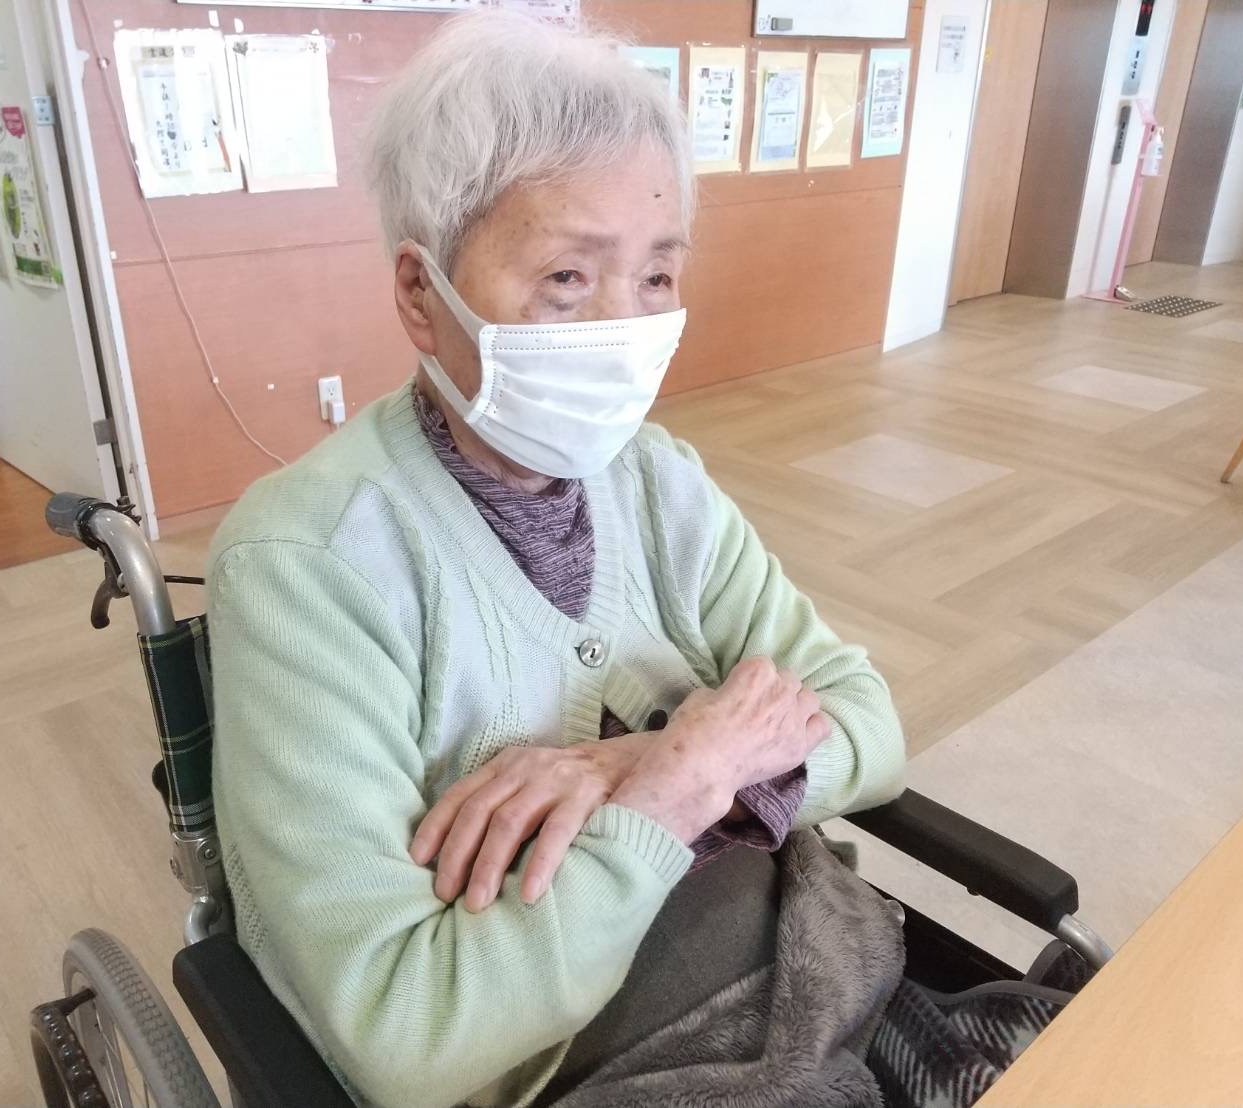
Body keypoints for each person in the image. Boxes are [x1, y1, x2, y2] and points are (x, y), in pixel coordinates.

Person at [207, 12, 907, 1108]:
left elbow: (867, 721)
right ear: (420, 294)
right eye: (569, 278)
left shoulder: (660, 483)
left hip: (805, 962)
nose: (623, 327)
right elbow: (405, 1034)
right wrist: (673, 796)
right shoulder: (307, 564)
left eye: (657, 276)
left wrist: (642, 766)